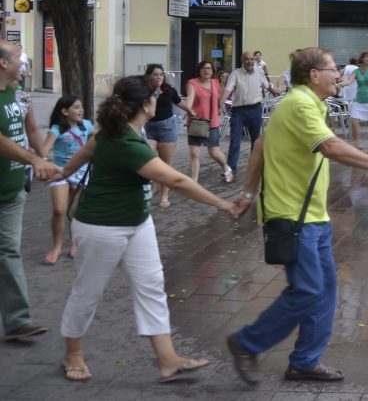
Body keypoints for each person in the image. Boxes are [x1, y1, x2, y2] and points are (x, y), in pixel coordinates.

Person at [226, 48, 368, 385]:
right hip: (292, 216)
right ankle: (246, 343)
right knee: (309, 289)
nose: (338, 74)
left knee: (325, 289)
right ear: (313, 75)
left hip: (311, 216)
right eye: (333, 69)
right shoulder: (299, 104)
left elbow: (260, 145)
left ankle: (304, 361)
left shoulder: (307, 103)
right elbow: (329, 147)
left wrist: (247, 192)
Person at [44, 75, 240, 382]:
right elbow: (176, 180)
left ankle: (168, 360)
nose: (158, 99)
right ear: (146, 105)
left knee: (151, 287)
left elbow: (81, 157)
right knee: (88, 292)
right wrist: (224, 204)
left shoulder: (116, 131)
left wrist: (61, 171)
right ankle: (73, 354)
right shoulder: (126, 142)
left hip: (136, 222)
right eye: (155, 96)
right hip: (101, 226)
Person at [0, 40, 60, 341]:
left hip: (11, 190)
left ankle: (17, 321)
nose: (23, 62)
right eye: (18, 57)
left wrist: (44, 161)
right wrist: (34, 159)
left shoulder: (15, 92)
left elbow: (31, 130)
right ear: (3, 63)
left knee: (9, 253)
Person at [41, 96, 93, 264]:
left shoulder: (87, 125)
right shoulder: (57, 129)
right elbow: (44, 150)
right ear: (64, 111)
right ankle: (56, 247)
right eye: (76, 107)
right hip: (60, 172)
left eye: (81, 107)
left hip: (81, 173)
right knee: (59, 210)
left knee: (74, 212)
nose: (81, 110)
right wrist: (45, 163)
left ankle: (73, 242)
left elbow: (95, 143)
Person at [143, 64, 194, 208]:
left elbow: (179, 102)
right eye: (155, 74)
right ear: (148, 76)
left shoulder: (168, 90)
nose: (158, 77)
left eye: (160, 74)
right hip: (150, 129)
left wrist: (190, 111)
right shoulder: (144, 91)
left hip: (167, 129)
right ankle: (155, 186)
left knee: (166, 164)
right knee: (148, 158)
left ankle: (165, 195)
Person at [225, 51, 278, 179]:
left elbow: (266, 85)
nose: (249, 61)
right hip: (238, 111)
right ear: (242, 60)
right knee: (235, 140)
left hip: (255, 109)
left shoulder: (259, 72)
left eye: (251, 59)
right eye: (246, 59)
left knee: (256, 141)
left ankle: (254, 167)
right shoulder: (236, 73)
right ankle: (231, 169)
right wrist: (219, 103)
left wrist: (275, 91)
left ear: (254, 60)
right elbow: (228, 90)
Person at [184, 60, 232, 183]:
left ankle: (226, 167)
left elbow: (219, 100)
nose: (206, 70)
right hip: (196, 122)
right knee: (194, 153)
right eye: (204, 68)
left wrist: (220, 107)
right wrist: (188, 110)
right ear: (199, 70)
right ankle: (194, 181)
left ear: (212, 71)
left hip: (212, 123)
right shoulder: (192, 83)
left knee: (214, 152)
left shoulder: (215, 83)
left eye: (209, 68)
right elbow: (190, 98)